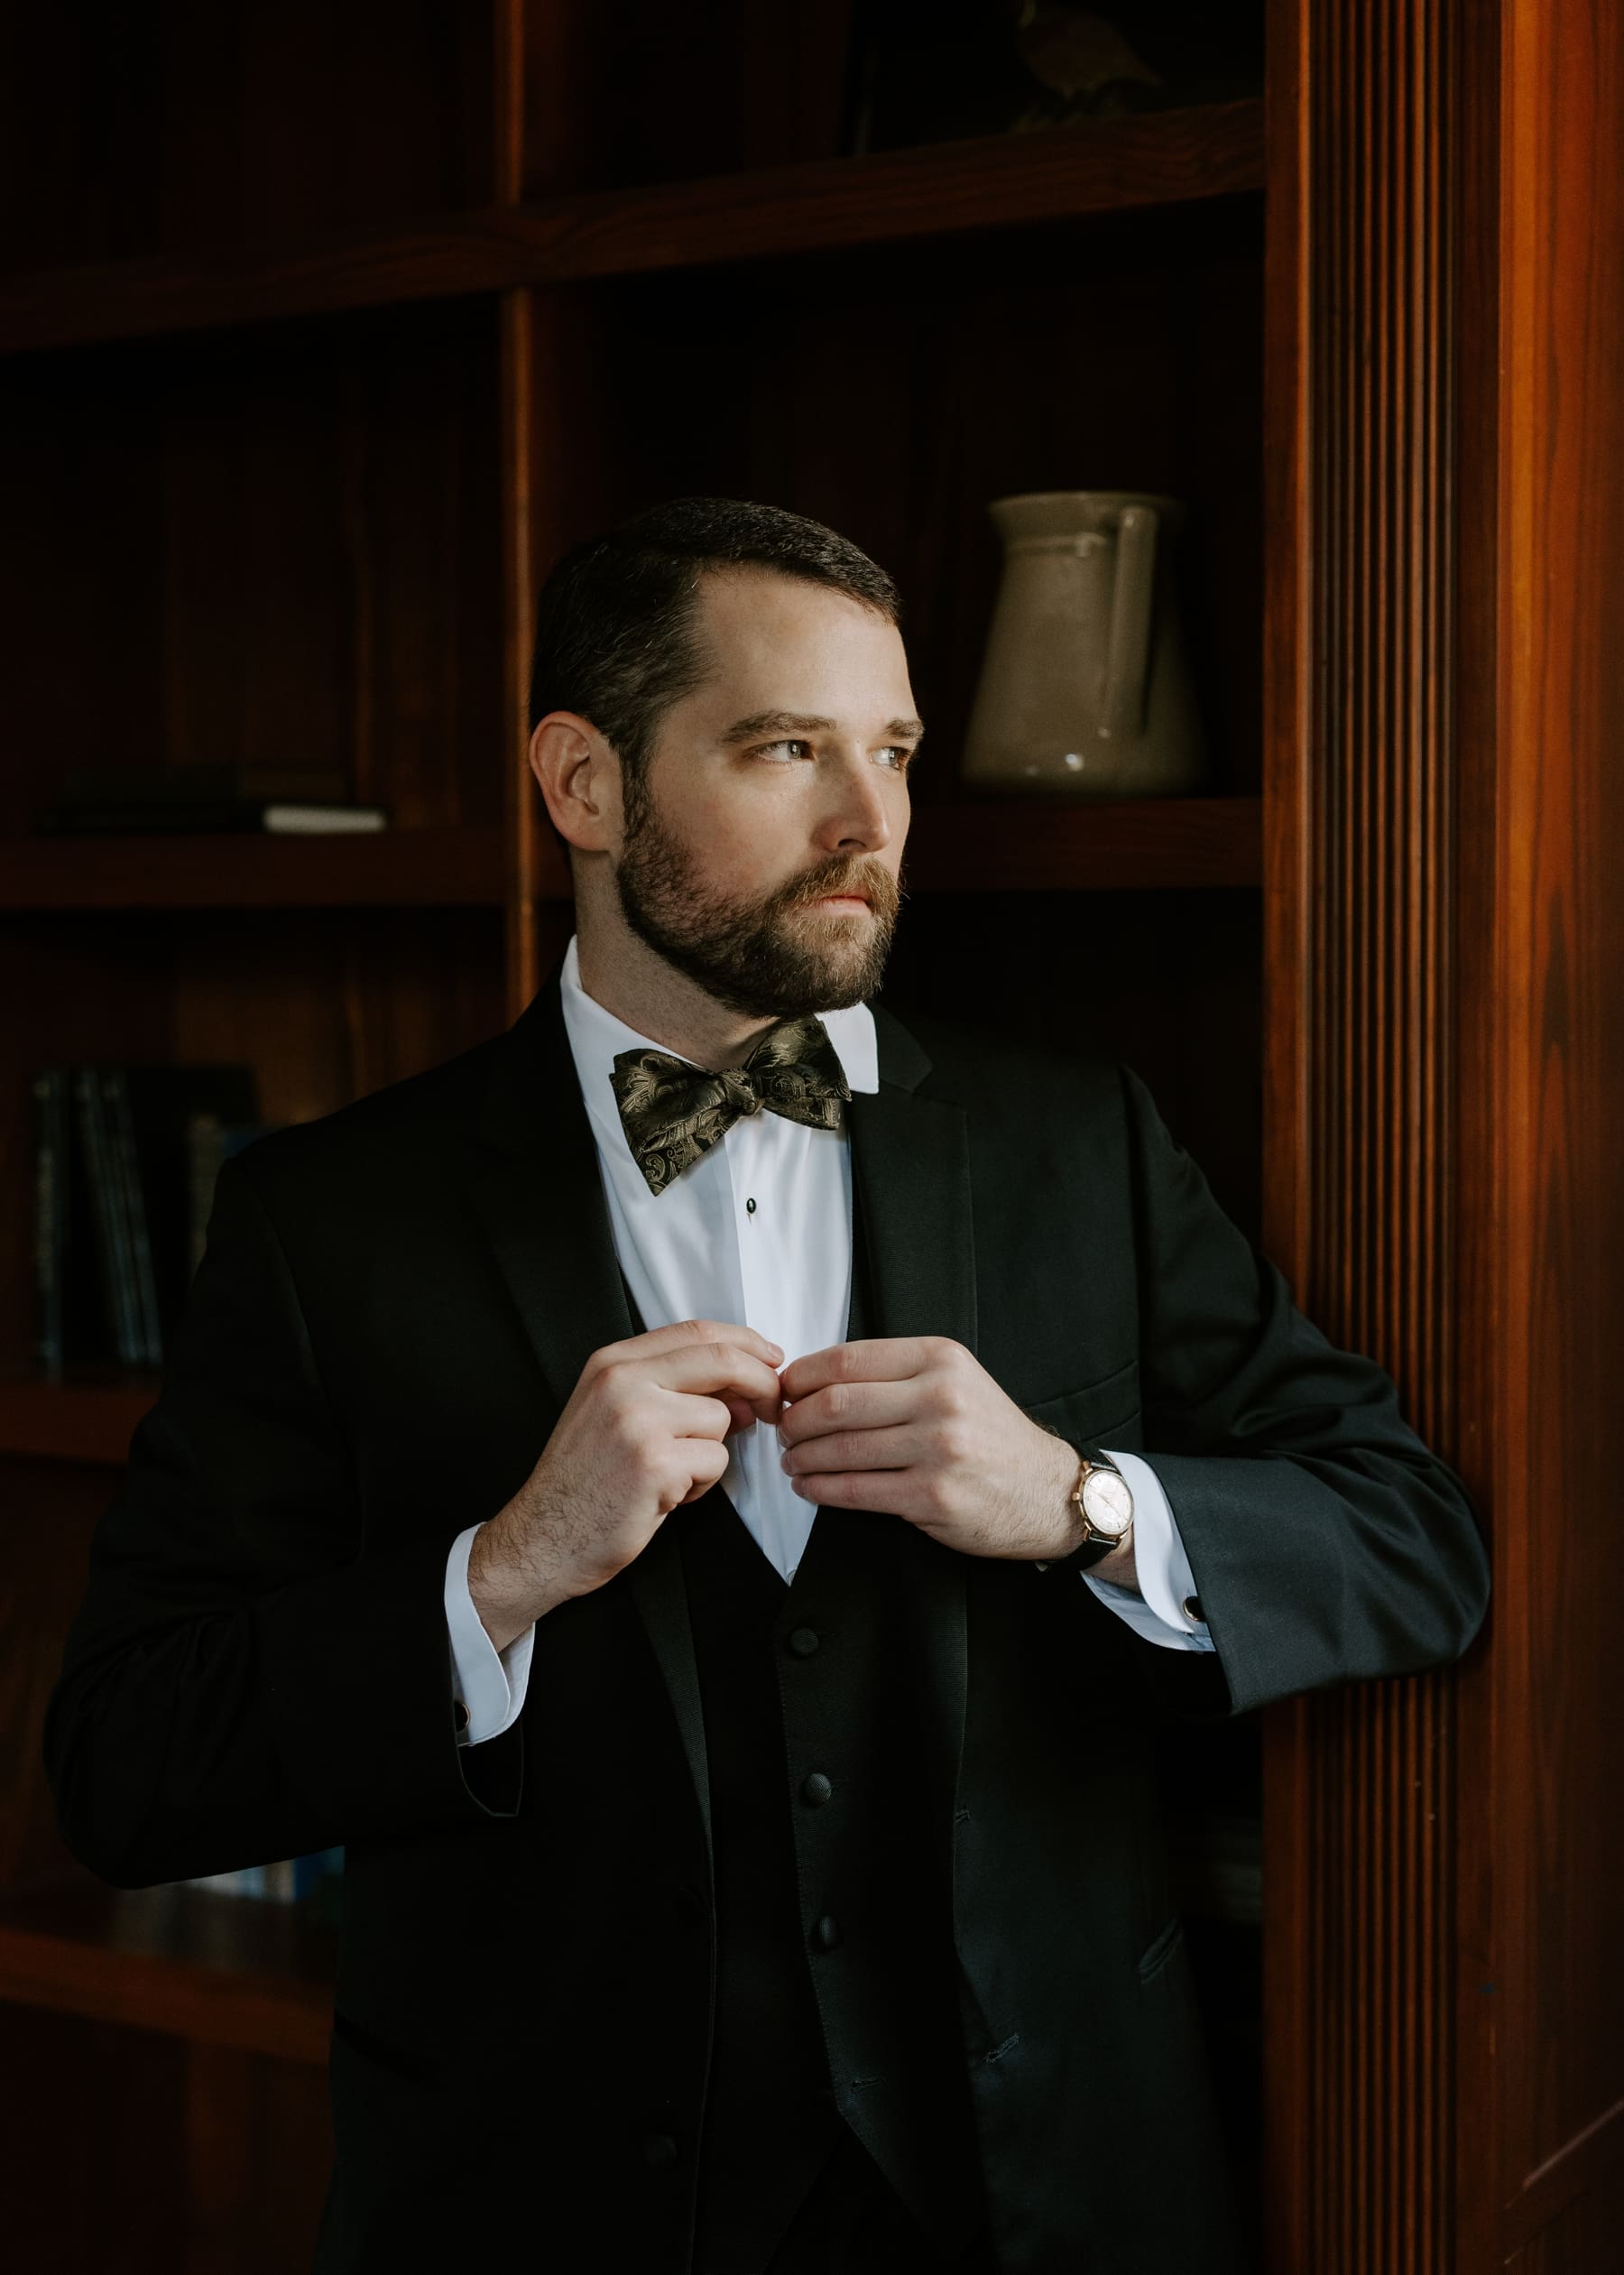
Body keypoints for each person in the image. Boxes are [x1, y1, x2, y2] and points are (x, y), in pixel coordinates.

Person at [43, 497, 1490, 2275]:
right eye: (786, 747)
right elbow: (125, 1762)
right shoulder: (327, 1220)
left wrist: (1086, 1503)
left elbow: (1415, 1537)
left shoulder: (1074, 1138)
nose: (869, 821)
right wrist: (499, 1570)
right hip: (537, 2215)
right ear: (584, 783)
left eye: (891, 751)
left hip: (1045, 2200)